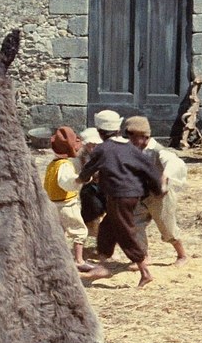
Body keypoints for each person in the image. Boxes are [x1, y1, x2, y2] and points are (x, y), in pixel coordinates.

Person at [77, 110, 163, 288]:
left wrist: (80, 179)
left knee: (125, 231)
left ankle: (144, 271)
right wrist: (157, 189)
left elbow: (89, 169)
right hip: (132, 195)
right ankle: (102, 265)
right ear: (117, 130)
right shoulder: (131, 148)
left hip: (119, 195)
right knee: (107, 227)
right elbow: (149, 168)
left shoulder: (103, 149)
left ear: (100, 132)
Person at [123, 116, 189, 268]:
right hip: (141, 194)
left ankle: (182, 255)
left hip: (160, 196)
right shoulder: (132, 149)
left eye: (134, 137)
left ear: (145, 136)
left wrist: (165, 177)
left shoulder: (157, 151)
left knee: (167, 228)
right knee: (135, 224)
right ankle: (144, 256)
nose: (131, 141)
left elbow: (174, 163)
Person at [43, 126, 95, 272]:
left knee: (59, 231)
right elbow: (66, 183)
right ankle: (79, 260)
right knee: (79, 231)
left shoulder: (52, 164)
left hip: (52, 203)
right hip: (66, 204)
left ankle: (56, 257)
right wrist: (80, 179)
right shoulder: (64, 165)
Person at [76, 127, 105, 237]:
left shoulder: (105, 152)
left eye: (95, 145)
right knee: (89, 199)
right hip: (90, 184)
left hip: (105, 184)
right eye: (89, 145)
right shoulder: (82, 155)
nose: (92, 148)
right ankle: (91, 225)